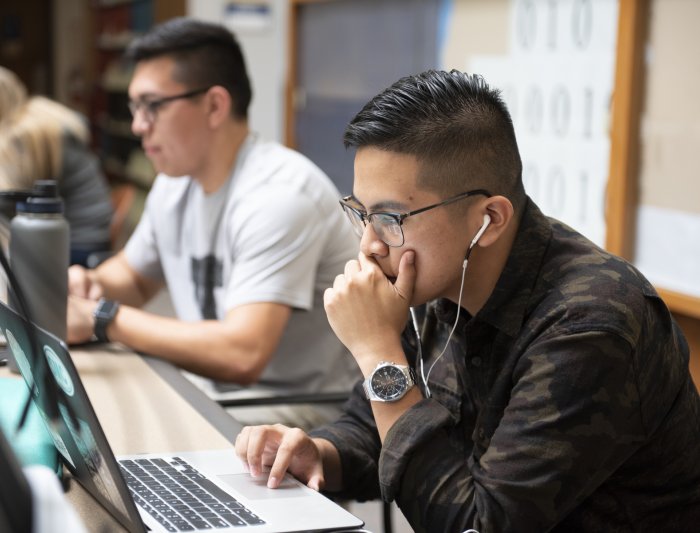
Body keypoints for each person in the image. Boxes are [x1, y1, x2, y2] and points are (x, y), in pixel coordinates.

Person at [235, 70, 700, 532]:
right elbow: (376, 427)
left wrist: (378, 352)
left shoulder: (590, 323)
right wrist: (320, 453)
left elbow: (477, 524)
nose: (370, 245)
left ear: (490, 219)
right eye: (362, 214)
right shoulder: (438, 274)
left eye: (391, 217)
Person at [66, 17, 360, 430]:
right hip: (213, 388)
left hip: (297, 407)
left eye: (152, 106)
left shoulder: (280, 194)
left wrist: (102, 317)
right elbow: (134, 278)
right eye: (135, 107)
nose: (138, 125)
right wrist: (90, 284)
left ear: (215, 105)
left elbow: (242, 355)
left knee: (124, 428)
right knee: (93, 408)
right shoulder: (176, 182)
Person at [0, 66, 113, 266]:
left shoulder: (25, 135)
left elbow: (9, 199)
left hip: (77, 247)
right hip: (91, 235)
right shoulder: (39, 116)